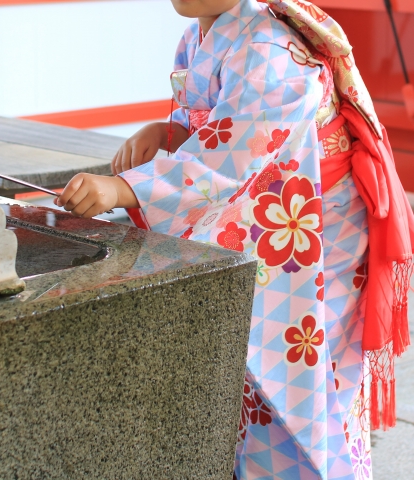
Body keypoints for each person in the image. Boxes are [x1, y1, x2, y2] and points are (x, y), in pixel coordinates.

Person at [55, 0, 414, 478]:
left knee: (308, 378)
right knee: (253, 373)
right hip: (280, 208)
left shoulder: (270, 48)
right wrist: (170, 131)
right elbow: (217, 122)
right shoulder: (201, 34)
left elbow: (234, 155)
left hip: (317, 230)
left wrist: (125, 189)